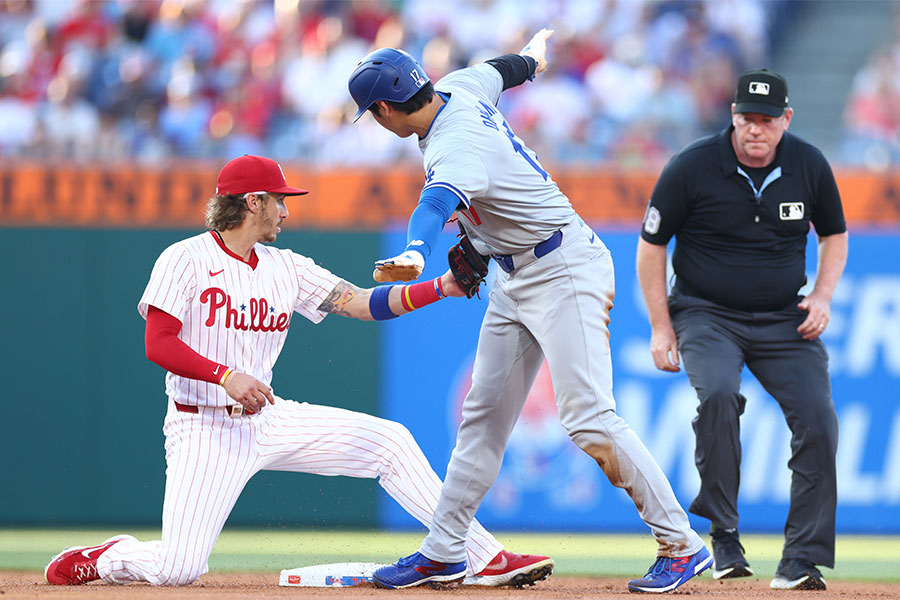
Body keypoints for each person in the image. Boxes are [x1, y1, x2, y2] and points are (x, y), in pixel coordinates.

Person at [43, 154, 555, 588]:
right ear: (252, 202)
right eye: (279, 199)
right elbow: (158, 343)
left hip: (267, 418)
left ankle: (483, 554)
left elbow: (361, 303)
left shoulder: (285, 265)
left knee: (390, 442)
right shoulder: (185, 259)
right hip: (201, 425)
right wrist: (225, 374)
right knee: (180, 567)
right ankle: (110, 556)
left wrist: (442, 286)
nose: (286, 210)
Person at [347, 29, 711, 594]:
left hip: (562, 267)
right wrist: (535, 56)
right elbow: (505, 68)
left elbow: (436, 203)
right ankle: (445, 551)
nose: (376, 122)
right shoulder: (458, 86)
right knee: (482, 418)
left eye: (373, 114)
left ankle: (681, 543)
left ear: (387, 108)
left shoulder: (453, 144)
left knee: (588, 415)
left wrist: (417, 250)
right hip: (513, 275)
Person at [636, 68, 847, 591]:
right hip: (706, 312)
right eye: (746, 118)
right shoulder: (692, 166)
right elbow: (651, 247)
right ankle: (724, 535)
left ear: (786, 120)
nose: (756, 129)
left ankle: (802, 558)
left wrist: (821, 296)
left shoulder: (809, 165)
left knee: (819, 419)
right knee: (721, 398)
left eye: (767, 120)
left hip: (783, 316)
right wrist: (662, 328)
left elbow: (835, 235)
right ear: (732, 117)